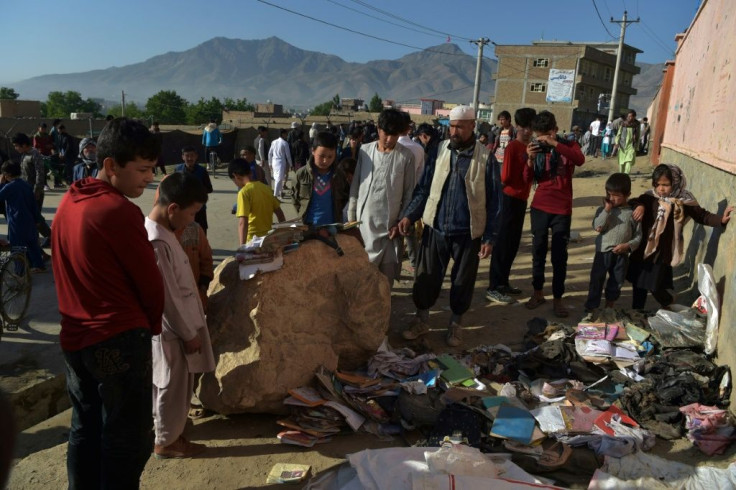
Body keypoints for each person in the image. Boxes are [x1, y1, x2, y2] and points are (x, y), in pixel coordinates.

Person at [51, 117, 165, 489]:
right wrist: (153, 325)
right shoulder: (119, 211)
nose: (149, 178)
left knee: (85, 426)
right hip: (118, 338)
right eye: (143, 169)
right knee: (128, 435)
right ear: (111, 165)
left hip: (75, 337)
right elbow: (149, 283)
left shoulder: (70, 200)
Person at [398, 105, 500, 347]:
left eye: (460, 127)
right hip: (436, 227)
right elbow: (423, 188)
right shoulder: (439, 150)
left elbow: (496, 201)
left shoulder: (486, 158)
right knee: (426, 278)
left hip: (468, 232)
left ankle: (456, 324)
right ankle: (421, 320)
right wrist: (409, 215)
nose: (454, 131)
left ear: (473, 126)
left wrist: (489, 237)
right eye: (452, 126)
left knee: (462, 282)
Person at [146, 172, 215, 459]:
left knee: (178, 384)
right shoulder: (157, 243)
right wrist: (188, 334)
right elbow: (167, 299)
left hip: (182, 327)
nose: (192, 221)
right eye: (191, 213)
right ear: (172, 208)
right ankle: (166, 441)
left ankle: (172, 433)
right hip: (174, 331)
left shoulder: (166, 234)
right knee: (171, 386)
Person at [628, 164, 733, 309]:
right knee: (638, 282)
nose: (661, 189)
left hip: (662, 251)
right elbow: (633, 202)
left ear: (675, 182)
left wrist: (720, 220)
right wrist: (639, 206)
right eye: (657, 184)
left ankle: (668, 302)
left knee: (654, 285)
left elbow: (702, 215)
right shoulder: (649, 197)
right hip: (644, 249)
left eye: (665, 185)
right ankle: (637, 312)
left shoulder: (684, 200)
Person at [525, 110, 586, 318]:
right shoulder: (535, 148)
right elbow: (527, 179)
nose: (540, 139)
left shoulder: (568, 145)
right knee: (538, 252)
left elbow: (580, 160)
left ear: (554, 130)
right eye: (538, 135)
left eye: (544, 135)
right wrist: (531, 160)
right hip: (540, 206)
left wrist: (554, 144)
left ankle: (558, 299)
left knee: (560, 256)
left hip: (562, 209)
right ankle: (537, 292)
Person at [348, 108, 416, 286]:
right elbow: (355, 187)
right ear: (378, 129)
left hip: (389, 231)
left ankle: (383, 313)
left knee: (385, 282)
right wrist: (351, 221)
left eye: (395, 135)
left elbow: (409, 193)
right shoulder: (364, 151)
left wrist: (400, 222)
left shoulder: (406, 156)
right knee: (362, 279)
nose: (390, 139)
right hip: (363, 228)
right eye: (386, 134)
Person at [486, 108, 536, 304]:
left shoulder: (530, 148)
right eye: (524, 128)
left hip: (521, 199)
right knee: (503, 243)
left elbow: (530, 177)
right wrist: (528, 163)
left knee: (513, 243)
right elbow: (506, 177)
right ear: (517, 127)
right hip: (508, 199)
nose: (527, 132)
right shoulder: (514, 147)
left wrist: (530, 161)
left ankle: (503, 282)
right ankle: (493, 286)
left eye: (530, 128)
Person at [584, 173, 642, 311]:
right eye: (609, 194)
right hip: (602, 253)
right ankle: (591, 308)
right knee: (596, 280)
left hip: (621, 254)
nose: (612, 199)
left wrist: (627, 246)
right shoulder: (603, 210)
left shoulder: (632, 214)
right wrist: (606, 211)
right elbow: (597, 226)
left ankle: (609, 306)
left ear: (628, 194)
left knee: (616, 282)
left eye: (617, 195)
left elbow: (638, 236)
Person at [293, 131, 350, 226]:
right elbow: (295, 198)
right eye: (322, 156)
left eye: (330, 157)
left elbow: (344, 198)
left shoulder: (339, 175)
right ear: (313, 151)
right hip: (308, 227)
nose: (325, 160)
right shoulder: (301, 174)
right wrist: (302, 214)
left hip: (332, 226)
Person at [0, 162, 46, 272]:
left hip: (17, 222)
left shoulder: (9, 187)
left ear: (7, 174)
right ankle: (39, 265)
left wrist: (1, 184)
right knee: (32, 244)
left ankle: (19, 270)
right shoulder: (26, 185)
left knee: (17, 247)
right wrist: (37, 219)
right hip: (29, 220)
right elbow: (33, 204)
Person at [228, 158, 286, 245]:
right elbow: (279, 213)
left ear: (236, 176)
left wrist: (242, 247)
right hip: (268, 238)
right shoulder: (266, 189)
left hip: (252, 240)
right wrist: (284, 233)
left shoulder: (244, 192)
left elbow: (243, 222)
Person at [11, 133, 51, 241]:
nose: (15, 148)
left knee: (35, 218)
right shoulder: (24, 154)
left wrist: (37, 191)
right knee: (33, 217)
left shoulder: (35, 154)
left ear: (24, 145)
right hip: (25, 191)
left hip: (34, 192)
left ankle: (49, 237)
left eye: (16, 146)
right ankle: (48, 237)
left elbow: (40, 173)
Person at [174, 146, 213, 234]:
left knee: (201, 231)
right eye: (187, 156)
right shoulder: (178, 170)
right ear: (182, 157)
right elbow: (174, 187)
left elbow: (209, 188)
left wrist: (196, 191)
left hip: (199, 208)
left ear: (196, 156)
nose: (190, 158)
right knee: (183, 233)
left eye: (192, 155)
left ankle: (203, 247)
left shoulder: (202, 171)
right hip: (183, 208)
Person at [268, 129, 293, 199]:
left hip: (274, 161)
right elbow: (288, 155)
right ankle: (275, 196)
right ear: (282, 134)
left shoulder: (274, 142)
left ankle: (280, 192)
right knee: (278, 179)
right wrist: (291, 164)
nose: (286, 135)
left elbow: (270, 153)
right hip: (281, 162)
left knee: (278, 178)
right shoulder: (285, 143)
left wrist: (270, 163)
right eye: (286, 134)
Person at [613, 110, 640, 174]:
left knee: (629, 160)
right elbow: (618, 134)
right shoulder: (623, 124)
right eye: (629, 116)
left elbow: (638, 135)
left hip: (631, 145)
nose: (630, 118)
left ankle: (626, 175)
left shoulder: (637, 124)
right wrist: (617, 143)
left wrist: (637, 146)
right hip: (622, 145)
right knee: (621, 162)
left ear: (634, 117)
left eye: (631, 116)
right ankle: (621, 174)